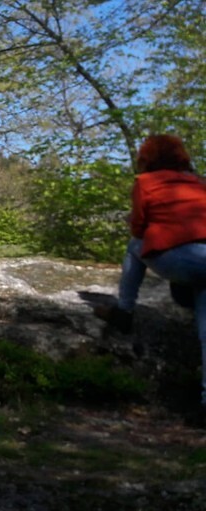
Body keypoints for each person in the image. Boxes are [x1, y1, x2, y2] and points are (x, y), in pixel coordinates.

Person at [105, 135, 206, 410]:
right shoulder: (199, 183)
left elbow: (139, 229)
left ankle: (124, 311)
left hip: (180, 260)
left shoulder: (145, 183)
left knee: (134, 246)